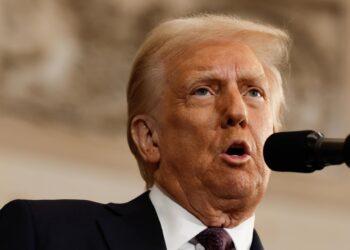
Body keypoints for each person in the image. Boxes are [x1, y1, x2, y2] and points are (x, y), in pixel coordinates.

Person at [0, 14, 290, 250]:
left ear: (274, 133)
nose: (237, 112)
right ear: (149, 138)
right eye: (203, 91)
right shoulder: (44, 235)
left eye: (254, 92)